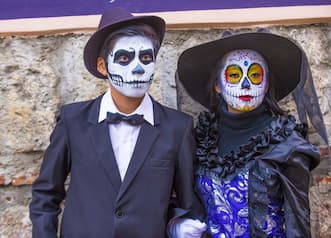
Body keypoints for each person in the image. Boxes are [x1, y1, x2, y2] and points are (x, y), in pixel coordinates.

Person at [29, 8, 207, 238]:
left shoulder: (178, 128)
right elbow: (45, 195)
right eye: (124, 58)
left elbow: (188, 204)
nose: (137, 67)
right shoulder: (73, 121)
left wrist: (181, 225)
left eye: (146, 58)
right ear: (103, 66)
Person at [177, 32, 329, 237]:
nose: (246, 85)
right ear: (217, 85)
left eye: (255, 75)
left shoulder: (287, 144)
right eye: (234, 75)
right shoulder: (201, 141)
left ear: (266, 85)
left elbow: (298, 221)